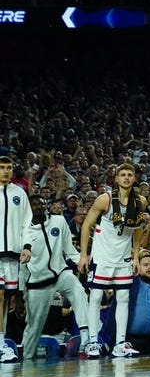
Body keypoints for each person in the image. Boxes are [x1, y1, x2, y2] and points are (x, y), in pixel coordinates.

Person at [77, 162, 148, 358]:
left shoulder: (140, 201)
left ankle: (120, 343)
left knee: (124, 298)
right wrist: (84, 254)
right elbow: (86, 226)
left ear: (134, 178)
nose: (126, 178)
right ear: (116, 178)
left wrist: (136, 255)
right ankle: (93, 342)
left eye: (129, 175)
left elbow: (138, 229)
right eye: (122, 174)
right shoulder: (104, 199)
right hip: (102, 255)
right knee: (97, 296)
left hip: (123, 256)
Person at [19, 193, 91, 361]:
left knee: (77, 288)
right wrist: (22, 288)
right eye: (33, 205)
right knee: (34, 325)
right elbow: (21, 262)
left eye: (40, 203)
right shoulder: (24, 231)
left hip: (60, 272)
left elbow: (69, 248)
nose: (37, 207)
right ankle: (26, 358)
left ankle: (86, 337)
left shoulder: (58, 221)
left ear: (46, 205)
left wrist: (81, 260)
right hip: (37, 282)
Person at [0, 155, 32, 363]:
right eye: (2, 167)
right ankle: (1, 344)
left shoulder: (19, 193)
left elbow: (27, 223)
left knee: (5, 301)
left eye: (9, 167)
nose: (5, 171)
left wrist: (27, 246)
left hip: (12, 255)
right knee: (0, 296)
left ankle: (2, 343)